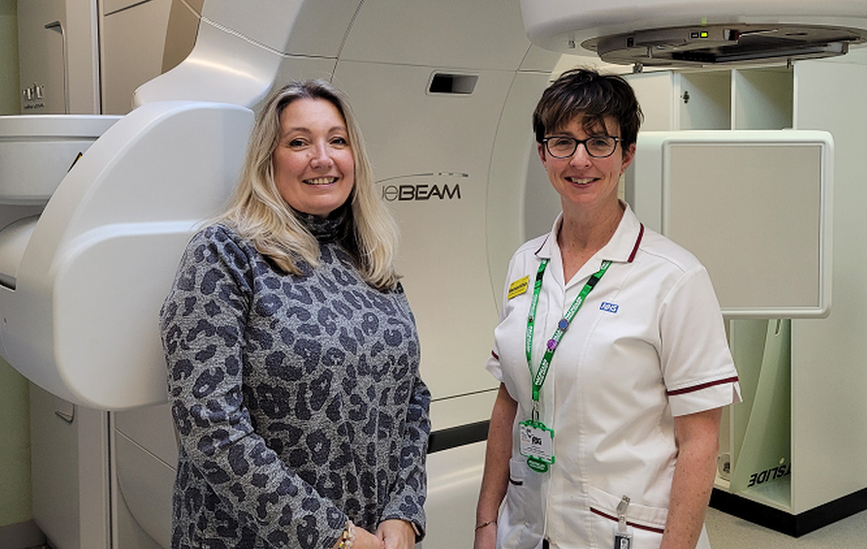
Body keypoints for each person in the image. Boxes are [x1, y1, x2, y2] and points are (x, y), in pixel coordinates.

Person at [473, 68, 741, 549]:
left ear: (626, 155)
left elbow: (700, 442)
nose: (580, 160)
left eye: (599, 141)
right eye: (563, 142)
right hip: (526, 528)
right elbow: (509, 400)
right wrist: (486, 522)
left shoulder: (675, 278)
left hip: (623, 532)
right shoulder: (524, 263)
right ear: (542, 153)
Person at [159, 79, 430, 549]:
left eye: (337, 140)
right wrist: (332, 536)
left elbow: (412, 398)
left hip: (372, 534)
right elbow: (210, 425)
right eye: (299, 142)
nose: (322, 158)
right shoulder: (225, 255)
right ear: (269, 159)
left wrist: (404, 511)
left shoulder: (368, 259)